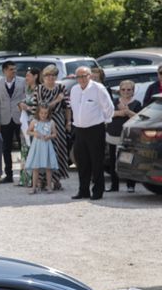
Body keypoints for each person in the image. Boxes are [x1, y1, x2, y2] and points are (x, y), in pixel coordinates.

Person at [70, 66, 114, 200]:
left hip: (95, 129)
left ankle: (98, 191)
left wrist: (105, 121)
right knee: (82, 162)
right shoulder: (74, 89)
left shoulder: (98, 88)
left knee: (96, 162)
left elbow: (109, 107)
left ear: (89, 76)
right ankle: (83, 190)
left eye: (84, 76)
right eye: (79, 77)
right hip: (79, 130)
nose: (82, 79)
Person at [32, 65, 71, 190]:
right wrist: (56, 100)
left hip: (58, 121)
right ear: (43, 77)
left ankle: (56, 179)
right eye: (48, 75)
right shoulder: (39, 89)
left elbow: (67, 107)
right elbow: (38, 108)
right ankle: (41, 180)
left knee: (58, 150)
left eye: (53, 75)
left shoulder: (61, 88)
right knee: (43, 150)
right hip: (43, 122)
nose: (50, 77)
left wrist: (68, 122)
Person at [0, 60, 26, 184]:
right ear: (4, 71)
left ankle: (24, 174)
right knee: (6, 148)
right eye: (11, 69)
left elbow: (27, 97)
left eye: (15, 69)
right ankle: (9, 175)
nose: (14, 71)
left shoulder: (22, 81)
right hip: (5, 119)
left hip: (19, 119)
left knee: (23, 147)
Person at [106, 80, 141, 193]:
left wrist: (127, 111)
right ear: (119, 91)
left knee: (129, 160)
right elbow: (107, 114)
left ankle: (130, 185)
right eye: (123, 89)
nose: (126, 91)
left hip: (129, 137)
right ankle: (114, 185)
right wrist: (120, 113)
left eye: (129, 89)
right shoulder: (114, 101)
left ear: (133, 91)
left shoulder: (137, 103)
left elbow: (139, 117)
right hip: (113, 135)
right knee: (113, 161)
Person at [25, 103, 59, 194]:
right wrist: (34, 134)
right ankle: (34, 187)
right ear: (38, 113)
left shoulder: (51, 122)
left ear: (48, 113)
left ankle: (49, 186)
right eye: (42, 113)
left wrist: (49, 136)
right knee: (35, 167)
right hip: (37, 147)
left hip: (47, 146)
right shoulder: (34, 122)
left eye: (45, 113)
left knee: (48, 167)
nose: (43, 115)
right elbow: (28, 131)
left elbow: (55, 134)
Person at [18, 67, 40, 187]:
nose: (26, 78)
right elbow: (23, 101)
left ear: (35, 76)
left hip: (34, 124)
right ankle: (24, 178)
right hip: (25, 123)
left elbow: (41, 108)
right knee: (25, 149)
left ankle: (34, 179)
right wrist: (21, 104)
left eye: (28, 76)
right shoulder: (27, 88)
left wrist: (29, 108)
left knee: (33, 149)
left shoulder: (39, 89)